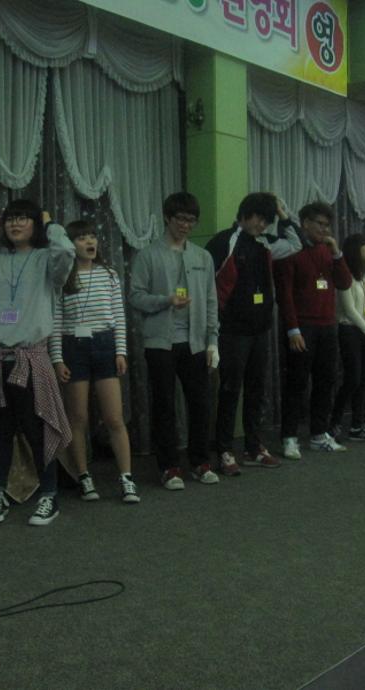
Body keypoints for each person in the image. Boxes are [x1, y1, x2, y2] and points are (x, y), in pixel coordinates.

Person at [0, 200, 74, 524]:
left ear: (35, 223)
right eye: (9, 219)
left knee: (37, 430)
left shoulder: (47, 259)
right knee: (0, 430)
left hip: (29, 357)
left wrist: (50, 225)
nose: (15, 224)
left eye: (23, 218)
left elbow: (66, 252)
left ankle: (49, 496)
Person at [129, 192, 220, 490]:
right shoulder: (147, 255)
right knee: (165, 406)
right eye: (181, 218)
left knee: (200, 403)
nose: (186, 225)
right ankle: (169, 467)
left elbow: (211, 300)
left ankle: (200, 462)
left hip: (195, 342)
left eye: (191, 220)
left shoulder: (202, 257)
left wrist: (212, 341)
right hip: (160, 342)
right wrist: (165, 300)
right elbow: (135, 297)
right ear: (167, 217)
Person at [205, 193, 301, 475]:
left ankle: (253, 447)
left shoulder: (266, 242)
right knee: (230, 390)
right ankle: (224, 450)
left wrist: (282, 214)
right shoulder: (224, 241)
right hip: (232, 330)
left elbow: (296, 244)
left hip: (261, 329)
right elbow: (207, 284)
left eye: (266, 220)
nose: (262, 224)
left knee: (257, 390)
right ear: (244, 214)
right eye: (258, 218)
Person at [50, 220, 139, 503]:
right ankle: (84, 476)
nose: (89, 242)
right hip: (73, 347)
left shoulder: (109, 274)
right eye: (81, 238)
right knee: (78, 418)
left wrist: (120, 352)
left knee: (114, 417)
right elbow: (56, 321)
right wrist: (57, 358)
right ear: (70, 245)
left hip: (104, 345)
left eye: (92, 236)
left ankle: (126, 478)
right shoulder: (63, 277)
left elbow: (119, 317)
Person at [273, 201, 353, 457]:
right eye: (320, 224)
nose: (324, 229)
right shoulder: (291, 250)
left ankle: (319, 434)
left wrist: (337, 253)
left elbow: (345, 282)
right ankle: (289, 437)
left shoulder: (327, 251)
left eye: (327, 225)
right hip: (302, 327)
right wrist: (292, 329)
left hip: (327, 326)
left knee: (326, 382)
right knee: (296, 383)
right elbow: (284, 294)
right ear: (305, 223)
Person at [330, 234, 365, 442]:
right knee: (353, 378)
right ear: (355, 249)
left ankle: (357, 426)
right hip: (351, 330)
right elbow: (349, 310)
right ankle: (333, 422)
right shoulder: (346, 275)